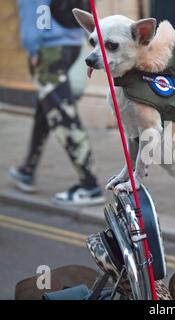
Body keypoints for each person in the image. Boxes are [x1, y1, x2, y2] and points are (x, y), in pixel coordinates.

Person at [8, 0, 104, 206]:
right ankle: (27, 169)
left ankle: (89, 185)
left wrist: (34, 46)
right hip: (71, 44)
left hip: (49, 48)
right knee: (47, 107)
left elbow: (38, 8)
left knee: (61, 113)